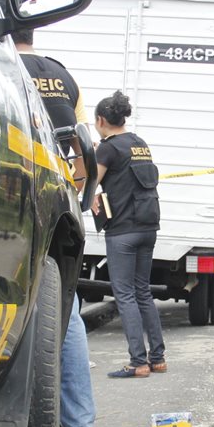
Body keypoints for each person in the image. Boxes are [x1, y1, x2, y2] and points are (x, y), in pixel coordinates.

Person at [14, 28, 95, 427]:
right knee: (65, 305)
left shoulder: (1, 66)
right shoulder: (64, 77)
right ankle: (78, 417)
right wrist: (78, 193)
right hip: (59, 195)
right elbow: (83, 145)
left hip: (13, 190)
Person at [91, 90, 166, 378]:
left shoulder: (108, 148)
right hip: (148, 227)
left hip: (122, 230)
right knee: (142, 292)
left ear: (101, 120)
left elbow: (89, 183)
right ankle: (157, 358)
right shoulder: (139, 143)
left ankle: (138, 362)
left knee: (124, 295)